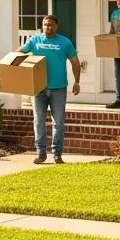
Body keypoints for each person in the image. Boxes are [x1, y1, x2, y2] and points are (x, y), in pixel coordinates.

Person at [20, 14, 81, 164]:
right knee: (39, 121)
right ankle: (41, 153)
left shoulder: (65, 42)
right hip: (39, 88)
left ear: (56, 26)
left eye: (50, 24)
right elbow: (19, 53)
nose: (47, 27)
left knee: (58, 122)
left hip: (58, 88)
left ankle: (57, 154)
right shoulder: (34, 40)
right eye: (45, 24)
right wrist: (6, 68)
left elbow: (75, 63)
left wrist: (77, 82)